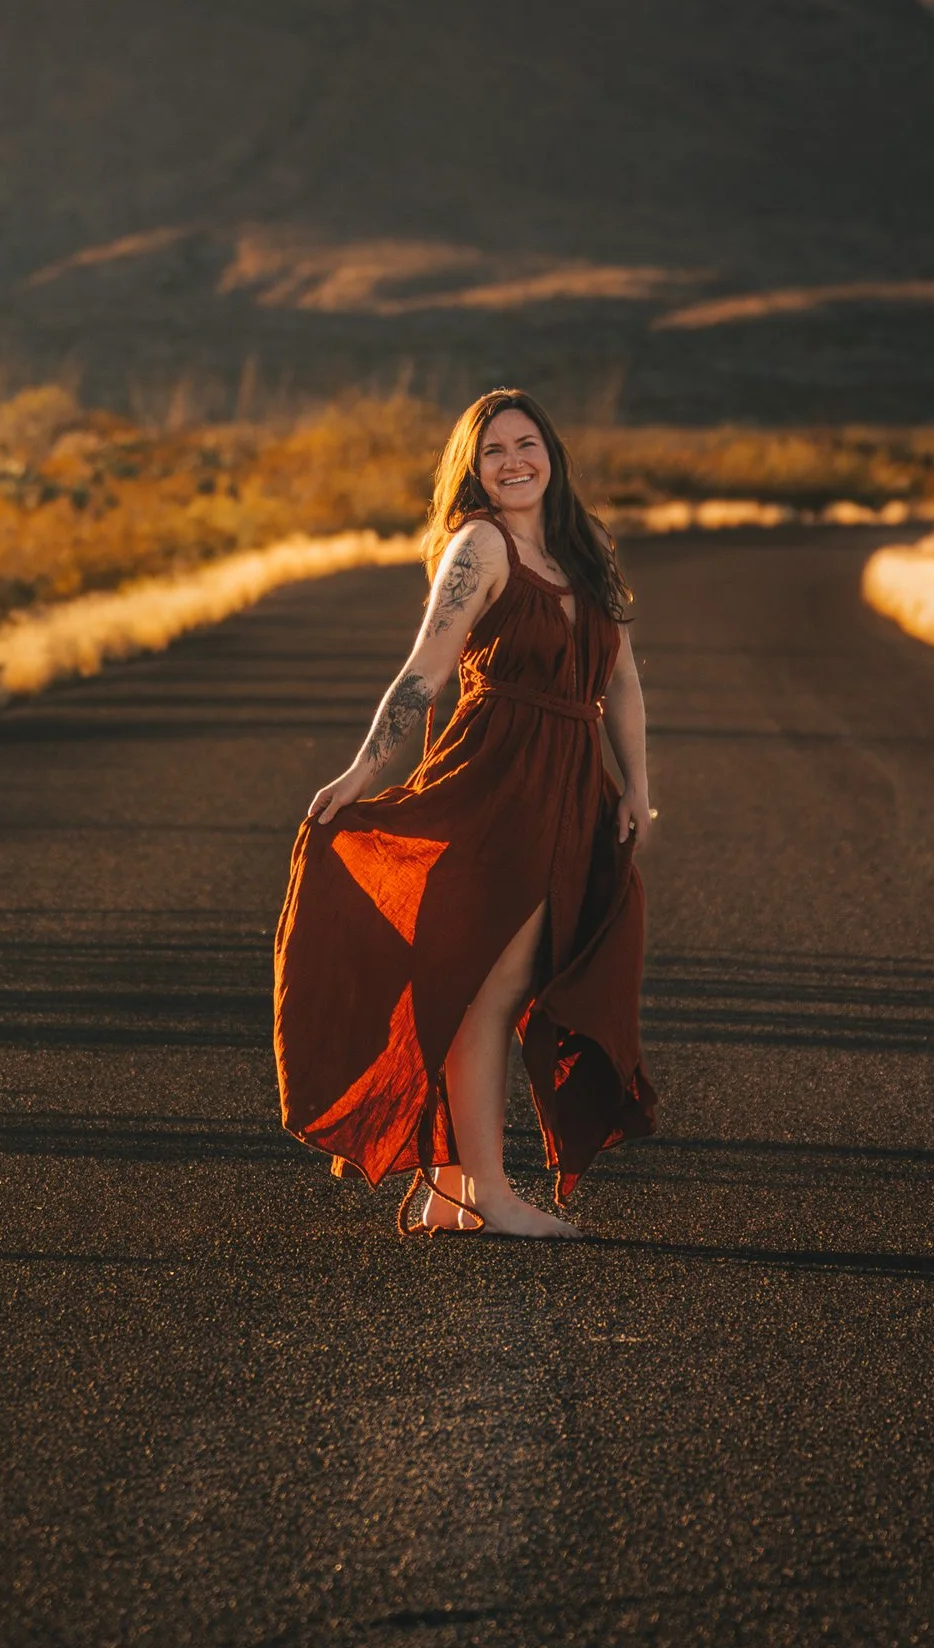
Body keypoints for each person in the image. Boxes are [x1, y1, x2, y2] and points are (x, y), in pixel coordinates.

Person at [272, 387, 658, 1236]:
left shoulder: (583, 546)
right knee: (491, 985)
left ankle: (449, 1190)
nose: (513, 461)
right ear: (472, 469)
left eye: (527, 444)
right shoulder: (478, 547)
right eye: (493, 451)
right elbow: (424, 672)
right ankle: (490, 1191)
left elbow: (621, 679)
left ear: (551, 453)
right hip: (496, 776)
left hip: (571, 785)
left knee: (494, 981)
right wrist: (362, 771)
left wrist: (635, 784)